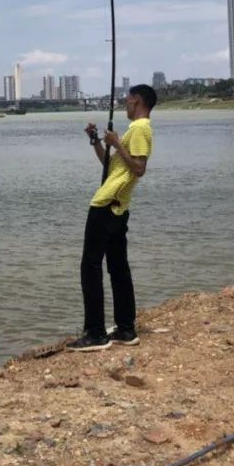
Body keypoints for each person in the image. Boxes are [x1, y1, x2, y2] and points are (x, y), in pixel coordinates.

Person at [67, 84, 157, 352]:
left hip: (105, 205)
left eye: (128, 99)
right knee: (118, 267)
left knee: (90, 267)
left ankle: (95, 333)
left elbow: (139, 168)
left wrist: (117, 142)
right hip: (118, 207)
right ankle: (126, 329)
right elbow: (112, 166)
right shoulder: (135, 129)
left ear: (137, 100)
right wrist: (96, 141)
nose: (124, 103)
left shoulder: (140, 128)